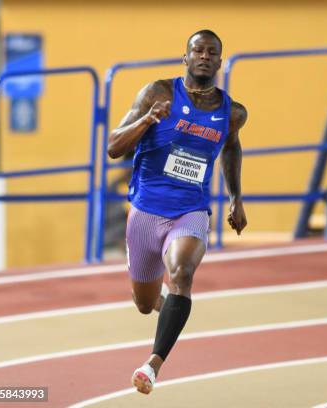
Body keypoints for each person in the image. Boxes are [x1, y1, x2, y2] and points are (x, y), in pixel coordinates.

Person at [107, 29, 247, 395]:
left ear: (220, 61)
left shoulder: (232, 112)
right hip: (145, 211)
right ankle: (168, 307)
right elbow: (113, 147)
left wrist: (236, 197)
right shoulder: (158, 93)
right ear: (185, 58)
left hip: (191, 211)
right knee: (143, 302)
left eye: (211, 52)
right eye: (196, 50)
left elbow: (231, 148)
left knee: (182, 273)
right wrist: (148, 119)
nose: (203, 56)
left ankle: (152, 365)